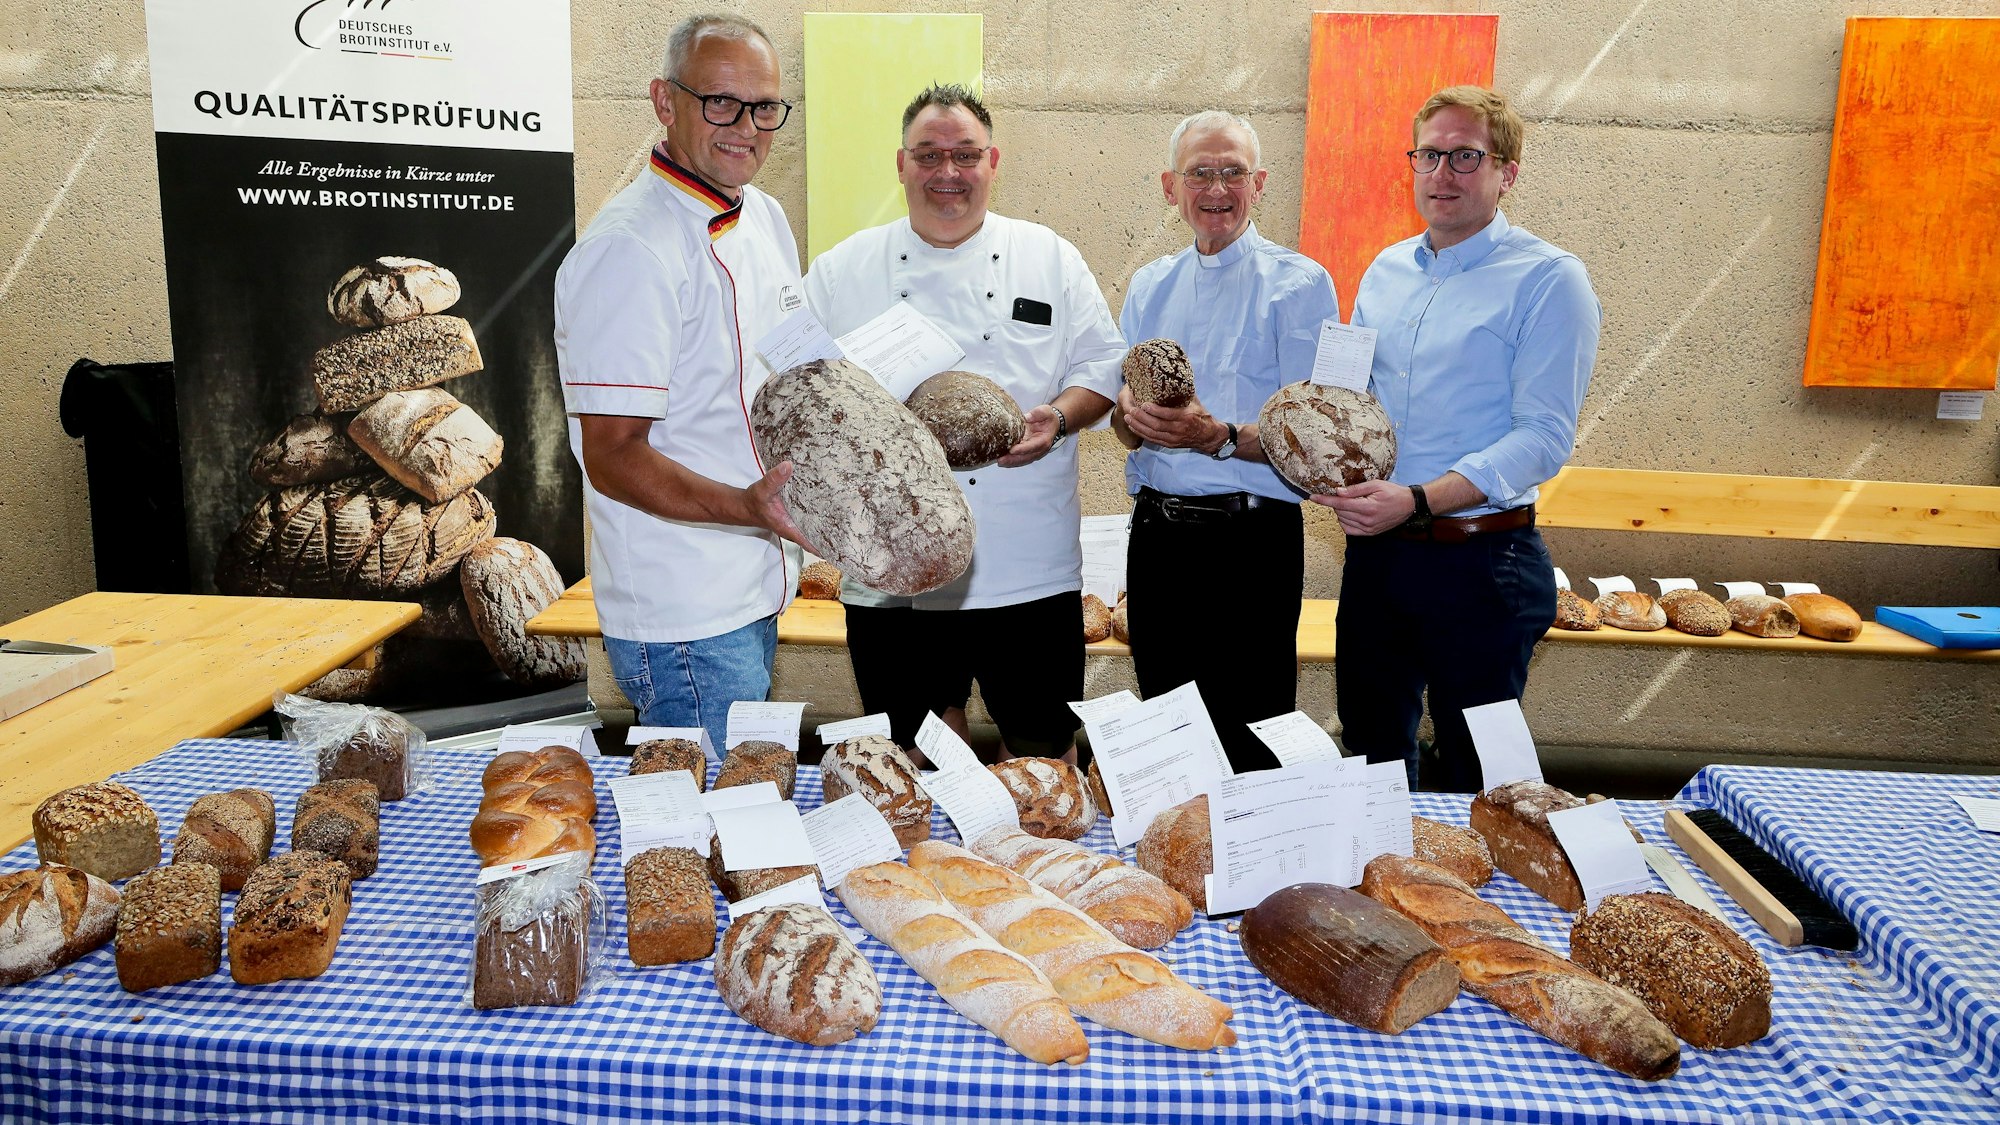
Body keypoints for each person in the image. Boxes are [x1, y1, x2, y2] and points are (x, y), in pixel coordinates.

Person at [804, 84, 1125, 763]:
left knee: (1043, 760)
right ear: (900, 164)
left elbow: (1102, 366)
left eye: (965, 155)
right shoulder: (843, 270)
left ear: (993, 161)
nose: (947, 173)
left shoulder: (1049, 257)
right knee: (920, 764)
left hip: (1028, 568)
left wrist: (1059, 419)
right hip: (894, 572)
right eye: (928, 155)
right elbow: (800, 393)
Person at [1319, 86, 1601, 792]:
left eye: (1466, 157)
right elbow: (1358, 404)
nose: (1442, 174)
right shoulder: (1385, 270)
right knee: (1370, 752)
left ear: (1508, 171)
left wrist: (1416, 499)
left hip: (1483, 562)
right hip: (1379, 558)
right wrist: (1325, 456)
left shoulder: (1548, 279)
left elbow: (1542, 438)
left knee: (1481, 774)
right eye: (1429, 155)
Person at [553, 14, 808, 755]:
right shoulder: (629, 250)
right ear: (665, 102)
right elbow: (612, 453)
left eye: (765, 108)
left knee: (736, 812)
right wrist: (746, 506)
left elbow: (793, 356)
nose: (747, 128)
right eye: (721, 103)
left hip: (759, 585)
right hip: (687, 615)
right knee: (698, 832)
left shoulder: (761, 214)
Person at [1113, 110, 1340, 772]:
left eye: (1232, 171)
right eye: (1200, 172)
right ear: (1170, 185)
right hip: (1158, 536)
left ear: (1260, 182)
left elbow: (1314, 438)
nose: (1216, 188)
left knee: (1252, 732)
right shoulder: (1150, 284)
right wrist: (1130, 414)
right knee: (1168, 726)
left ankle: (1252, 874)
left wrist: (1213, 437)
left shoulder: (1301, 285)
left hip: (1253, 542)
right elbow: (1127, 429)